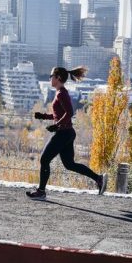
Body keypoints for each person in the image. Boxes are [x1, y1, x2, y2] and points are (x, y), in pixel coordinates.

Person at [26, 66, 107, 199]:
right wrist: (44, 116)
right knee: (69, 164)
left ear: (57, 78)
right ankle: (98, 179)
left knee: (44, 159)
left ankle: (41, 191)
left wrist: (57, 125)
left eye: (51, 76)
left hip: (63, 134)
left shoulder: (61, 93)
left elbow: (70, 113)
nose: (50, 79)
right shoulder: (60, 92)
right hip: (67, 133)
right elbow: (60, 114)